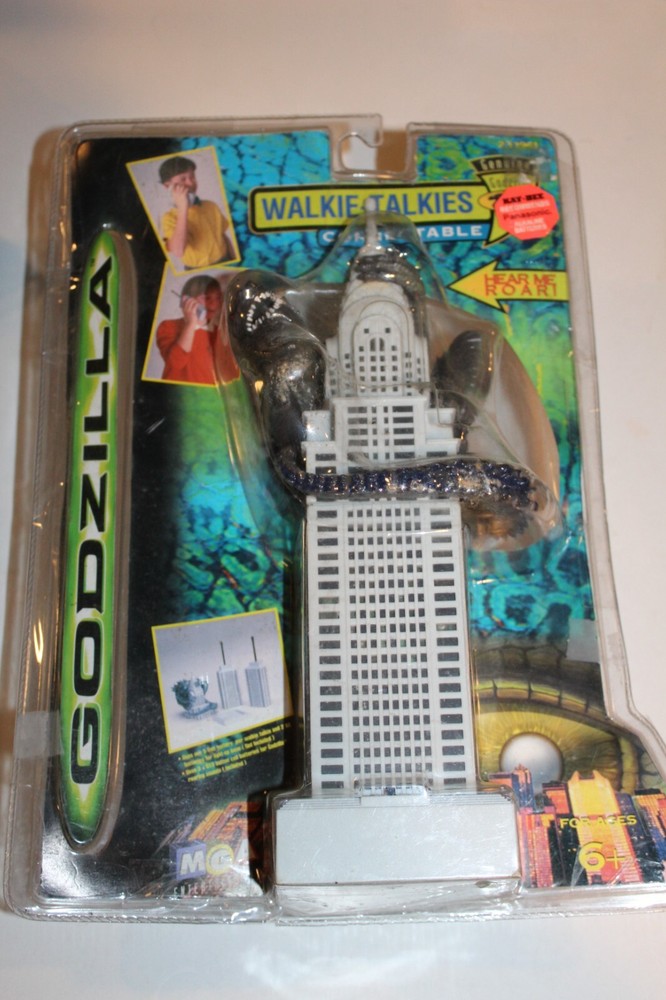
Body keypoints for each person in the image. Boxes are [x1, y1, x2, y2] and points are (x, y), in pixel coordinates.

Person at [159, 155, 233, 269]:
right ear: (167, 186)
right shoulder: (169, 217)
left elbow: (223, 236)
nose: (190, 183)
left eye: (192, 177)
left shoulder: (210, 206)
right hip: (196, 269)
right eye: (183, 179)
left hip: (225, 259)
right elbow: (178, 251)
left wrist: (234, 257)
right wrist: (183, 208)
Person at [156, 275, 222, 385]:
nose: (214, 304)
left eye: (218, 298)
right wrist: (191, 324)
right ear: (186, 300)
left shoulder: (219, 334)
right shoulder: (168, 326)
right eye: (207, 298)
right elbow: (176, 363)